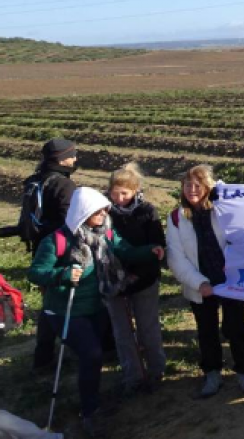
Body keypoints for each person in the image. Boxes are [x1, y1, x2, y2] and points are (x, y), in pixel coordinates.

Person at [28, 188, 163, 437]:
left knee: (94, 356)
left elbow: (126, 251)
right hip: (65, 311)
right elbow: (35, 272)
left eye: (104, 209)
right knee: (91, 355)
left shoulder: (105, 233)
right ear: (83, 212)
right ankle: (90, 412)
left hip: (97, 306)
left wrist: (149, 250)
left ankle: (93, 400)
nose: (104, 213)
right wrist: (62, 275)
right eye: (97, 211)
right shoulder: (56, 241)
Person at [166, 165, 244, 398]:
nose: (192, 190)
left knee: (236, 327)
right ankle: (212, 373)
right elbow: (176, 257)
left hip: (229, 279)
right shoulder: (176, 218)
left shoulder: (223, 209)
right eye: (188, 185)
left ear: (208, 187)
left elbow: (241, 236)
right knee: (206, 331)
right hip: (201, 284)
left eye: (198, 185)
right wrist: (199, 283)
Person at [103, 164, 167, 395]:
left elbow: (157, 245)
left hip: (145, 278)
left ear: (135, 191)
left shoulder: (147, 212)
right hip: (114, 282)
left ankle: (157, 371)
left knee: (147, 328)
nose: (119, 198)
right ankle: (132, 376)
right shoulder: (104, 213)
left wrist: (138, 272)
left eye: (125, 193)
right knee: (122, 333)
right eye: (115, 192)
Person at [29, 138, 79, 371]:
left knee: (48, 302)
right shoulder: (64, 185)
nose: (75, 159)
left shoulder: (35, 180)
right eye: (72, 155)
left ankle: (43, 356)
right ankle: (71, 350)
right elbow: (69, 222)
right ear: (61, 158)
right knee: (66, 301)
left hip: (40, 249)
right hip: (60, 250)